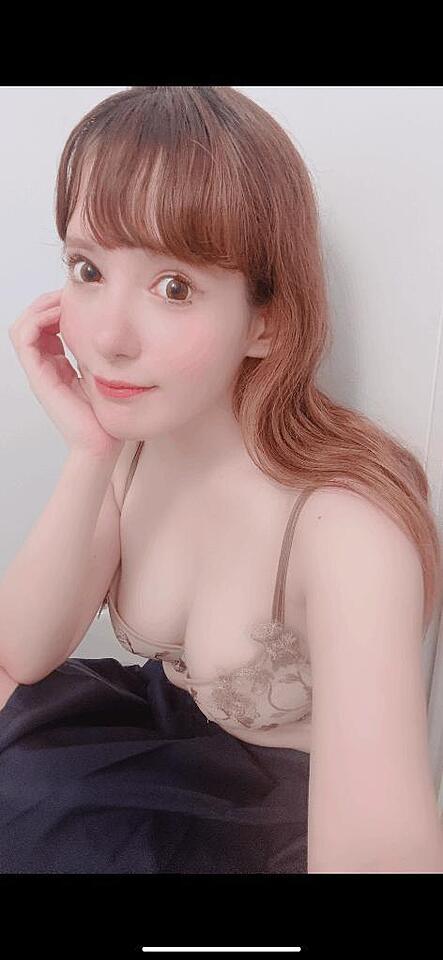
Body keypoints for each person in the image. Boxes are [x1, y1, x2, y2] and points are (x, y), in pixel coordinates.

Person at [1, 86, 442, 874]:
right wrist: (89, 451)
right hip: (152, 743)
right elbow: (21, 655)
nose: (107, 337)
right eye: (87, 269)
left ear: (267, 320)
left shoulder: (347, 530)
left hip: (269, 818)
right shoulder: (137, 442)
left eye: (173, 287)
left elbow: (379, 852)